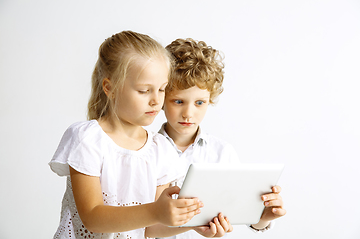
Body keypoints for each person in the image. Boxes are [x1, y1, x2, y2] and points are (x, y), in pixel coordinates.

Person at [48, 31, 206, 239]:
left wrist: (193, 224)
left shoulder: (161, 149)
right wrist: (155, 211)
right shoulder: (87, 139)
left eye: (161, 89)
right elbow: (93, 218)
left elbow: (151, 228)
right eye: (143, 90)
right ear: (109, 88)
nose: (155, 101)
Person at [158, 38, 287, 238]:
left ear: (210, 100)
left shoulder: (221, 152)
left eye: (199, 102)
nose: (188, 113)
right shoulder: (144, 149)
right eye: (178, 101)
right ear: (161, 98)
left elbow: (238, 210)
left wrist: (263, 218)